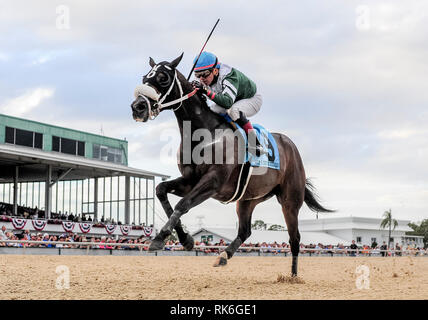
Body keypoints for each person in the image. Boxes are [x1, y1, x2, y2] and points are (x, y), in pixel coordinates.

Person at [191, 52, 265, 156]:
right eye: (198, 75)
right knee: (210, 111)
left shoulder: (229, 76)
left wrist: (206, 91)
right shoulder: (204, 77)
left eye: (204, 74)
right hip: (232, 100)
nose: (201, 79)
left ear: (215, 70)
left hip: (251, 99)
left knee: (233, 111)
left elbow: (227, 103)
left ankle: (255, 143)